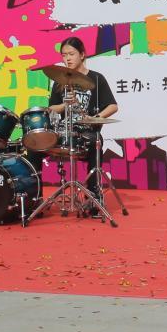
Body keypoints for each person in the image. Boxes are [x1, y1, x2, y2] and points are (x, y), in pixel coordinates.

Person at [47, 37, 117, 208]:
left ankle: (93, 197)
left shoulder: (96, 78)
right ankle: (32, 199)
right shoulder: (59, 81)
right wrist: (65, 105)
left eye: (71, 54)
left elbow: (113, 106)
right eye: (64, 55)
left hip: (86, 131)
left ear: (82, 55)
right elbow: (51, 109)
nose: (67, 59)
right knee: (35, 143)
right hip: (63, 131)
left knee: (95, 142)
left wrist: (95, 118)